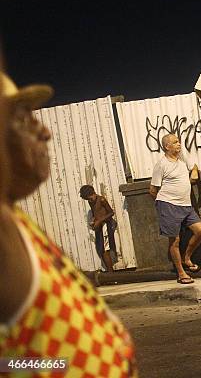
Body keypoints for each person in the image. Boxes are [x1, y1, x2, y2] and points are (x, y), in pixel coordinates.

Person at [0, 72, 137, 376]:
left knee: (107, 251)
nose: (45, 132)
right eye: (23, 119)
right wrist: (58, 367)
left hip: (105, 226)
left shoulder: (18, 221)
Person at [149, 133, 201, 284]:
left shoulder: (182, 159)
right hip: (168, 205)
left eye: (179, 142)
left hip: (186, 205)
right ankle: (181, 273)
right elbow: (152, 190)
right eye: (175, 142)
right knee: (174, 240)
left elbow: (193, 166)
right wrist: (164, 206)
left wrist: (194, 172)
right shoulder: (161, 165)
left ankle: (186, 257)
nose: (179, 144)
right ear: (167, 147)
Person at [79, 184, 117, 272]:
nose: (90, 200)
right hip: (99, 226)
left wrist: (99, 221)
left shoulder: (102, 200)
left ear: (93, 193)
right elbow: (95, 212)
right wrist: (93, 220)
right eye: (88, 199)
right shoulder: (90, 202)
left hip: (106, 225)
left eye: (90, 198)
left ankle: (111, 272)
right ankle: (109, 271)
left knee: (105, 249)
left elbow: (111, 213)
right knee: (100, 249)